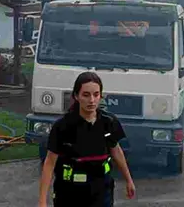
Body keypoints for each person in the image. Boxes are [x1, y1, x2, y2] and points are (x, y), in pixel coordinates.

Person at [38, 72, 136, 207]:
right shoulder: (63, 127)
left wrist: (129, 180)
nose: (91, 100)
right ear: (76, 96)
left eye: (96, 94)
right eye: (86, 95)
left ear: (101, 95)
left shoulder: (109, 122)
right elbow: (50, 162)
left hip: (101, 192)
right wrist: (42, 201)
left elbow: (116, 150)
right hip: (69, 193)